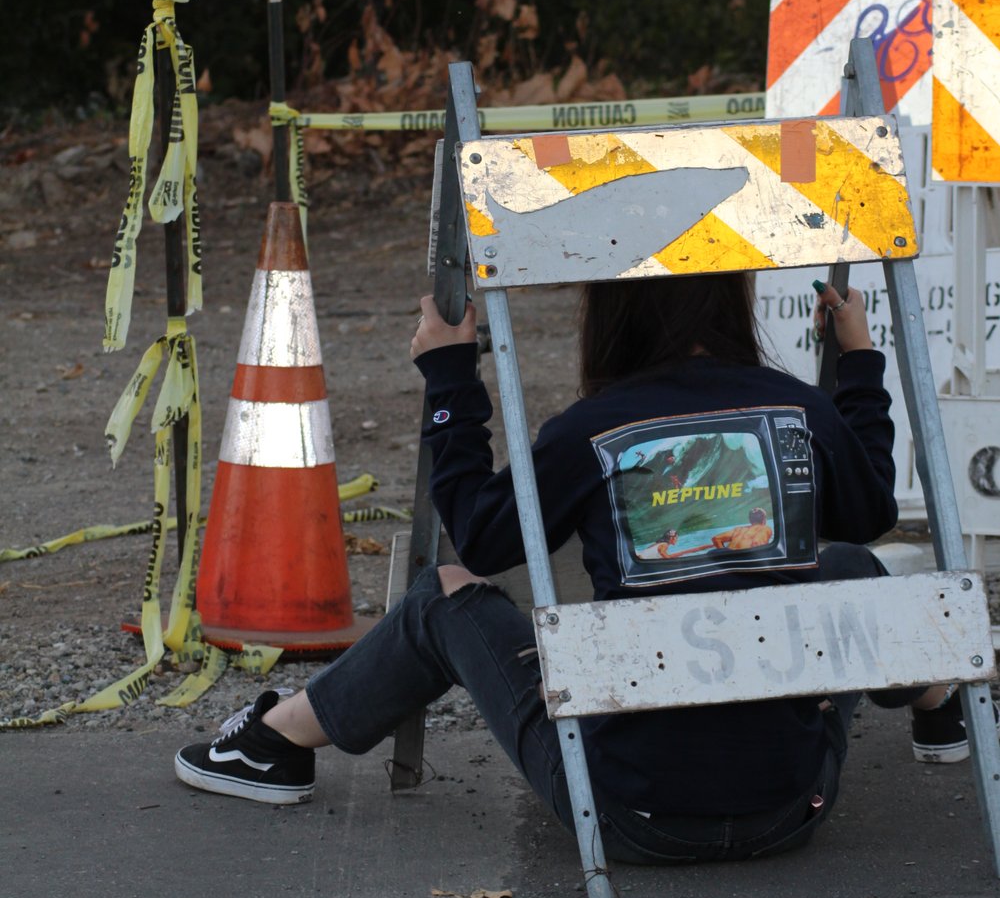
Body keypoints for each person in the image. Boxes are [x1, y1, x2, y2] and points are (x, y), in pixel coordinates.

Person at [174, 275, 958, 862]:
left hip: (624, 815)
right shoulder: (800, 410)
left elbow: (478, 539)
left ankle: (275, 742)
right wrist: (857, 362)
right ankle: (937, 699)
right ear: (732, 296)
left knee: (445, 594)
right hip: (792, 808)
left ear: (610, 308)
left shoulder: (590, 430)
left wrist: (451, 379)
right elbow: (870, 508)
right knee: (850, 564)